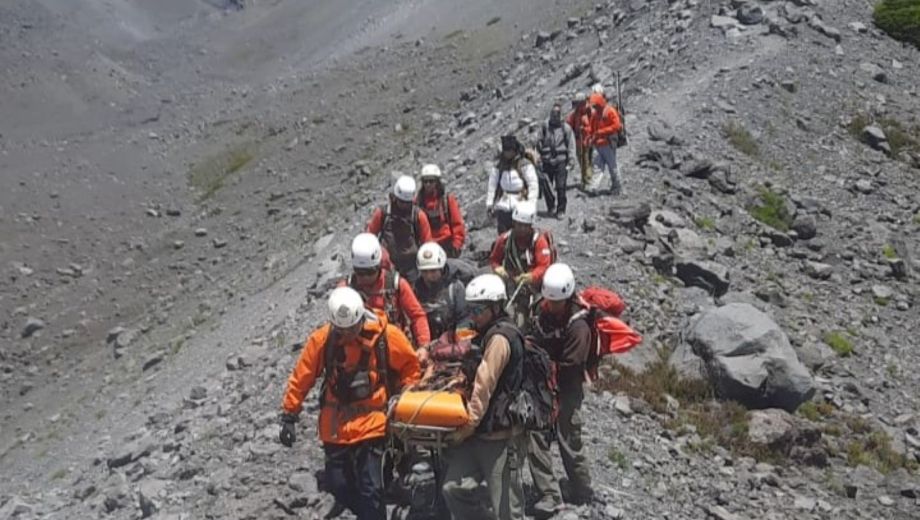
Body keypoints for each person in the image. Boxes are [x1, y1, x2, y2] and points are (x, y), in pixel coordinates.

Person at [279, 287, 421, 520]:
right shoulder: (323, 340)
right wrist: (289, 415)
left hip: (373, 422)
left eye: (351, 329)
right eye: (342, 330)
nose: (347, 334)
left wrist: (405, 397)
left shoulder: (386, 337)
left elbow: (410, 366)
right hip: (336, 426)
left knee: (371, 487)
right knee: (338, 486)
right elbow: (302, 375)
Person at [441, 274, 526, 520]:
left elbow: (484, 383)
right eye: (471, 309)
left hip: (500, 435)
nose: (474, 315)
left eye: (479, 309)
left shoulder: (499, 339)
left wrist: (468, 424)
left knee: (506, 508)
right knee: (453, 489)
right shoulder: (485, 333)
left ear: (495, 307)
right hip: (481, 431)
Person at [526, 264, 594, 518]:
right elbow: (537, 336)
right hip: (545, 386)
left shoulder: (579, 328)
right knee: (536, 435)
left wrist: (542, 362)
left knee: (569, 439)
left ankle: (581, 489)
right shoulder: (545, 312)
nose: (551, 306)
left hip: (567, 389)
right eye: (549, 301)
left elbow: (572, 365)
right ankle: (549, 493)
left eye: (556, 303)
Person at [343, 233, 431, 352]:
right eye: (360, 272)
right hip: (359, 351)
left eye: (369, 272)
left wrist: (423, 346)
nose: (364, 277)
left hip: (394, 348)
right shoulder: (346, 289)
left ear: (379, 266)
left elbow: (417, 315)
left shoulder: (396, 284)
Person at [488, 203, 552, 329]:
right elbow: (494, 259)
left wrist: (531, 276)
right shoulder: (504, 240)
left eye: (525, 226)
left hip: (536, 287)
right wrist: (498, 269)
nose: (522, 229)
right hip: (513, 284)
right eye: (519, 224)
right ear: (514, 223)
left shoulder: (539, 241)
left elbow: (544, 265)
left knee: (541, 313)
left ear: (531, 226)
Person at [367, 175, 434, 282]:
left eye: (407, 203)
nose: (404, 205)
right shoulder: (383, 213)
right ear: (395, 197)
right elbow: (368, 238)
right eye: (401, 202)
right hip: (386, 266)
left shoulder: (418, 216)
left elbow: (428, 244)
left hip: (412, 268)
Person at [412, 242, 467, 343]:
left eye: (433, 271)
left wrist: (460, 343)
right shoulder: (416, 290)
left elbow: (464, 319)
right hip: (425, 342)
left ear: (441, 269)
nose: (429, 276)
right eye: (425, 271)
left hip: (452, 343)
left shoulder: (455, 288)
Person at [486, 135, 540, 234]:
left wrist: (532, 204)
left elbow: (533, 185)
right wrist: (489, 203)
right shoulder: (499, 166)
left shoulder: (524, 164)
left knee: (519, 235)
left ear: (514, 150)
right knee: (503, 235)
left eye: (509, 150)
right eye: (506, 150)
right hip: (503, 205)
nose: (507, 153)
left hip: (520, 205)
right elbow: (492, 185)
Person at [417, 164, 467, 258]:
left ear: (437, 182)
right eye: (425, 181)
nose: (428, 184)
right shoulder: (418, 202)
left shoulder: (447, 200)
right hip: (426, 246)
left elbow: (457, 224)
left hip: (447, 246)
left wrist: (456, 245)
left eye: (431, 181)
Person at [536, 103, 576, 217]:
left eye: (557, 114)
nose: (554, 116)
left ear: (560, 115)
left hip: (561, 160)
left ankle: (561, 209)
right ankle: (551, 206)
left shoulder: (566, 128)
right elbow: (538, 142)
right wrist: (538, 156)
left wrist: (572, 159)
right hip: (547, 160)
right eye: (552, 113)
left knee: (561, 186)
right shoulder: (545, 127)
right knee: (546, 185)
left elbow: (571, 144)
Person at [585, 91, 623, 196]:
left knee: (612, 166)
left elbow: (617, 125)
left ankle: (617, 186)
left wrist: (602, 131)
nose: (594, 107)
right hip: (598, 144)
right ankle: (593, 187)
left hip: (608, 144)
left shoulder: (610, 111)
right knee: (597, 166)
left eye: (595, 105)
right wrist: (590, 137)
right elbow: (591, 128)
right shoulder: (595, 114)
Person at [566, 92, 592, 189]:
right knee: (581, 161)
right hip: (578, 141)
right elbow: (569, 122)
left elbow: (593, 125)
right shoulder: (575, 113)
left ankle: (587, 180)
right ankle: (585, 179)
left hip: (587, 140)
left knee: (586, 160)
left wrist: (584, 129)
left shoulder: (589, 111)